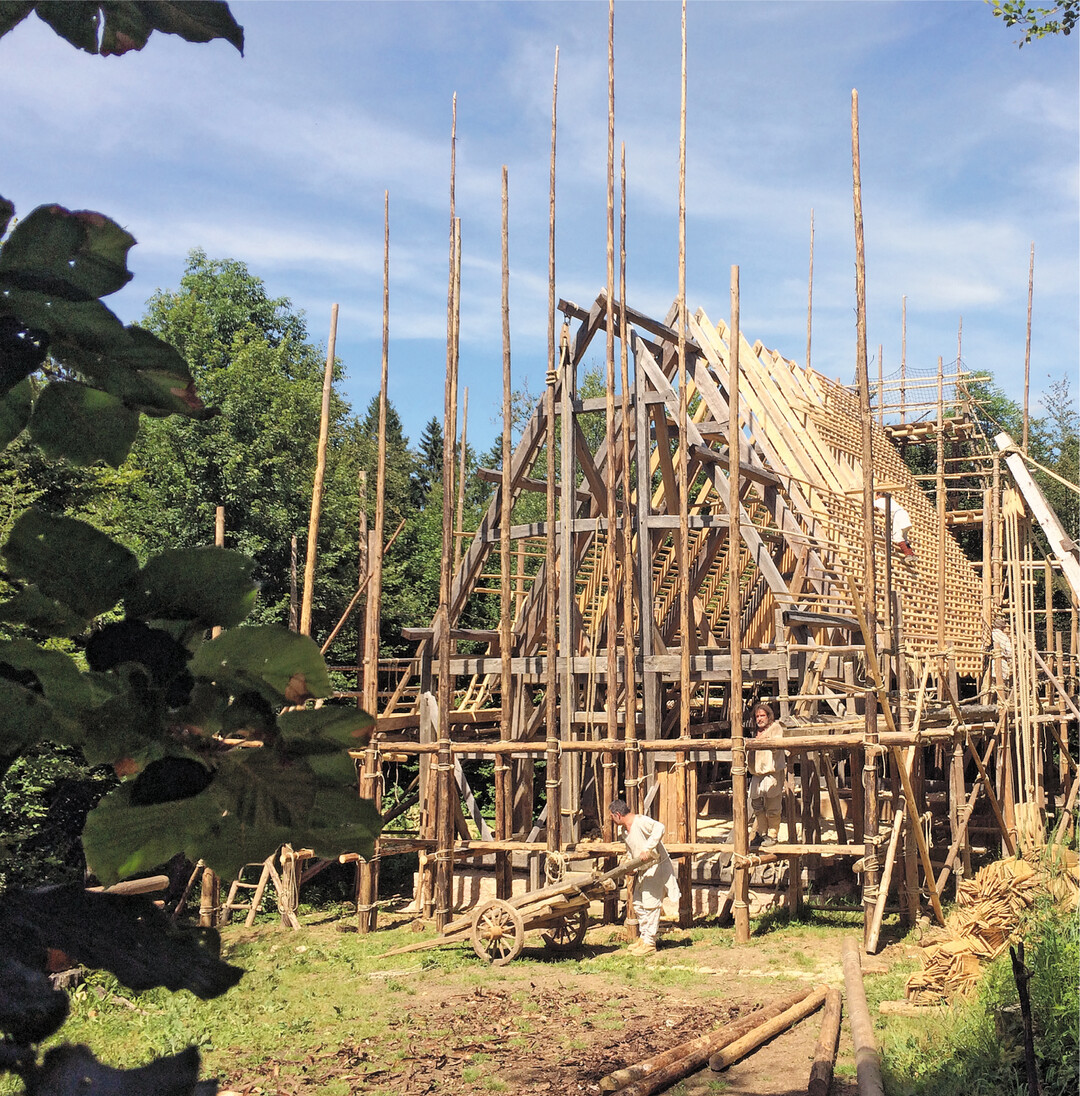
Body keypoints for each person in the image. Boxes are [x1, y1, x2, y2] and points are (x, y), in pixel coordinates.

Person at [609, 799, 680, 956]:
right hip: (642, 870)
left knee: (650, 905)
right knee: (638, 904)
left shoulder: (640, 821)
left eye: (612, 817)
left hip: (656, 866)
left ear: (618, 815)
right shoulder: (624, 832)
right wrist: (629, 866)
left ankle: (650, 943)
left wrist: (648, 848)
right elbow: (631, 850)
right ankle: (644, 937)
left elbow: (660, 827)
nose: (612, 820)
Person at [748, 702, 787, 848]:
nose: (759, 719)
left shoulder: (775, 728)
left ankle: (772, 835)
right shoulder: (756, 732)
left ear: (768, 716)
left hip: (771, 772)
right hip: (757, 772)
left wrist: (759, 741)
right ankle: (762, 833)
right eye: (757, 716)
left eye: (762, 715)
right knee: (756, 804)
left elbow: (775, 744)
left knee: (773, 806)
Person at [874, 491, 916, 559]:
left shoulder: (880, 500)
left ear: (878, 495)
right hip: (904, 514)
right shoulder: (890, 500)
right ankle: (912, 554)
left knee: (897, 537)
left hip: (898, 516)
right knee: (904, 538)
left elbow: (869, 504)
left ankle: (908, 555)